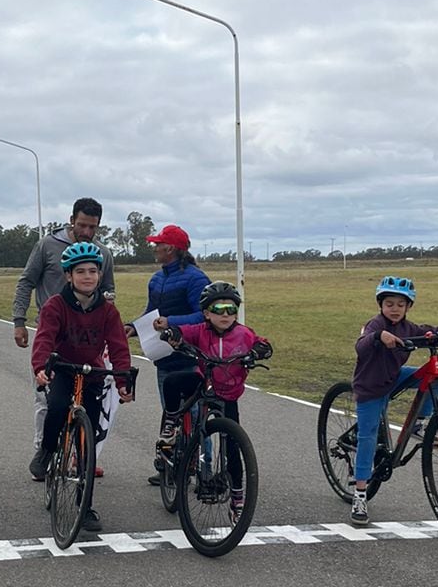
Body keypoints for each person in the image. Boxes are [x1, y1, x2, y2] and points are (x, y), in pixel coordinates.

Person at [349, 275, 438, 528]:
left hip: (393, 377)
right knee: (368, 436)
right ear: (380, 305)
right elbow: (361, 344)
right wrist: (378, 337)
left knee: (435, 377)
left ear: (408, 307)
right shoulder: (374, 325)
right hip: (371, 386)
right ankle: (360, 493)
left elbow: (436, 331)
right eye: (389, 304)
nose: (394, 309)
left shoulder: (409, 329)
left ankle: (422, 422)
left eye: (400, 305)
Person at [30, 241, 133, 532]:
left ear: (99, 275)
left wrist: (124, 381)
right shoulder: (55, 306)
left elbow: (118, 347)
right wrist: (40, 367)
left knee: (88, 441)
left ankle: (84, 505)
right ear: (68, 276)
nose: (87, 277)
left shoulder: (108, 311)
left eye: (92, 271)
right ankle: (48, 451)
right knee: (58, 407)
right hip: (63, 368)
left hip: (92, 373)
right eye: (80, 272)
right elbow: (44, 339)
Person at [13, 198, 115, 473]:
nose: (86, 231)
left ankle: (82, 456)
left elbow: (108, 292)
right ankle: (43, 453)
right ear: (72, 220)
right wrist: (19, 321)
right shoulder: (47, 245)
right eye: (81, 225)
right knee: (49, 401)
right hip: (53, 334)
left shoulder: (103, 253)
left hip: (87, 337)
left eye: (92, 227)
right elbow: (27, 281)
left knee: (90, 401)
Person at [156, 281, 272, 521]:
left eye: (231, 309)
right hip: (203, 383)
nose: (226, 314)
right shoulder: (200, 330)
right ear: (207, 313)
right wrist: (172, 335)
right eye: (218, 309)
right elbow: (181, 332)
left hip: (229, 395)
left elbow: (264, 344)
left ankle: (238, 500)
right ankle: (171, 423)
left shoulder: (243, 333)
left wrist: (257, 353)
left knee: (233, 448)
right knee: (172, 382)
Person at [127, 225, 210, 486]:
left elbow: (204, 315)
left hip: (190, 357)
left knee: (196, 417)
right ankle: (170, 465)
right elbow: (152, 311)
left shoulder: (196, 279)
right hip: (165, 357)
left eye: (158, 244)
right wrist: (134, 326)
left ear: (170, 249)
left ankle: (205, 470)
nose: (154, 248)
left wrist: (171, 321)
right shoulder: (156, 279)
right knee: (170, 414)